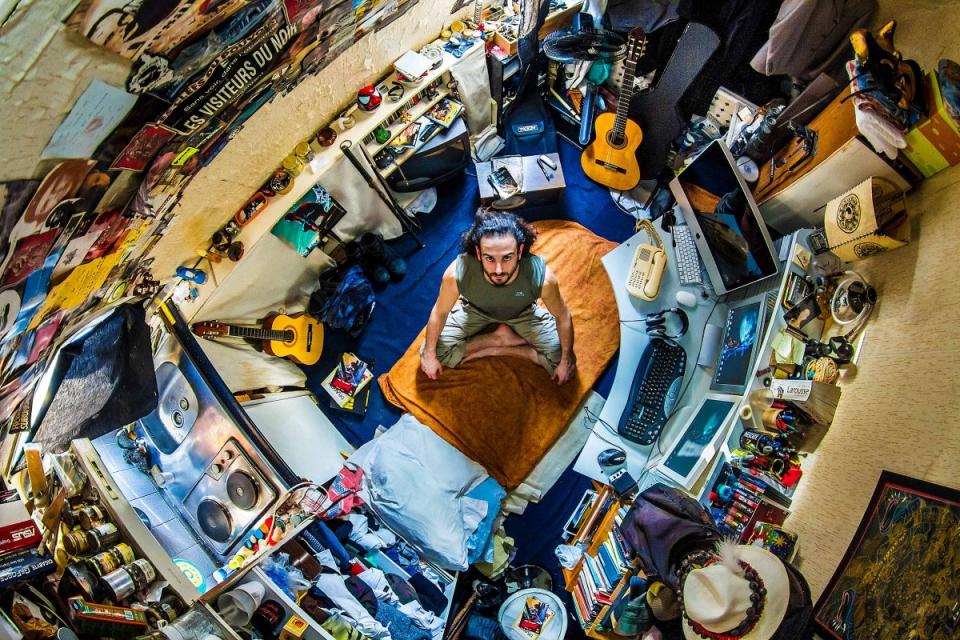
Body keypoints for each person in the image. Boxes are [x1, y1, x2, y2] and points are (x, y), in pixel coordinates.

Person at [420, 211, 576, 384]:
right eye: (489, 258)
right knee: (430, 351)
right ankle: (497, 338)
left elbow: (562, 315)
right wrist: (430, 355)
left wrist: (565, 359)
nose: (499, 270)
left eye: (507, 257)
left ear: (520, 251)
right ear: (478, 253)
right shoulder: (456, 274)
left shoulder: (543, 279)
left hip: (522, 312)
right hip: (475, 311)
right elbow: (439, 312)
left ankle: (515, 349)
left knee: (563, 361)